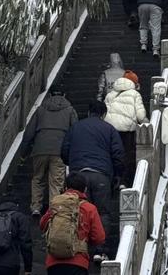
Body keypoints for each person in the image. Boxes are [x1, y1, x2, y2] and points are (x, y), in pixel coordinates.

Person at [61, 100, 125, 264]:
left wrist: (73, 164)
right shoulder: (109, 129)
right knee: (102, 212)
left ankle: (78, 248)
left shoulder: (76, 127)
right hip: (101, 175)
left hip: (78, 176)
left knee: (79, 212)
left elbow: (64, 151)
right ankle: (100, 250)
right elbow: (118, 154)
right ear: (104, 114)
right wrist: (117, 175)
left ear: (89, 112)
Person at [23, 88, 78, 216]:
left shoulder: (40, 110)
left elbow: (29, 132)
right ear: (64, 94)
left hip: (40, 149)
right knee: (56, 180)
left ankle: (36, 207)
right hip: (59, 150)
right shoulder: (70, 110)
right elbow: (75, 130)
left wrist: (24, 152)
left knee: (38, 178)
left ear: (49, 95)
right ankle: (55, 208)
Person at [39, 172, 106, 274]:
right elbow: (99, 237)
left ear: (66, 187)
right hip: (78, 262)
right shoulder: (89, 208)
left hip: (53, 263)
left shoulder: (56, 204)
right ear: (85, 189)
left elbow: (42, 224)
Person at [104, 70, 148, 186]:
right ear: (134, 83)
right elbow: (140, 115)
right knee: (127, 156)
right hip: (127, 132)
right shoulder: (135, 94)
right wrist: (147, 123)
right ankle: (124, 182)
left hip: (110, 130)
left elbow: (104, 113)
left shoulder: (110, 94)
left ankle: (112, 180)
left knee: (112, 155)